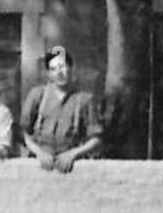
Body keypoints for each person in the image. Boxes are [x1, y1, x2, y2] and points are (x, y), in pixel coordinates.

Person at [21, 45, 104, 173]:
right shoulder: (38, 95)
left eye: (63, 67)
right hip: (39, 164)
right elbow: (22, 132)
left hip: (71, 167)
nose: (59, 72)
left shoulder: (84, 100)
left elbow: (96, 139)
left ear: (71, 69)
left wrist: (73, 154)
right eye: (53, 69)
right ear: (48, 73)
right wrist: (39, 153)